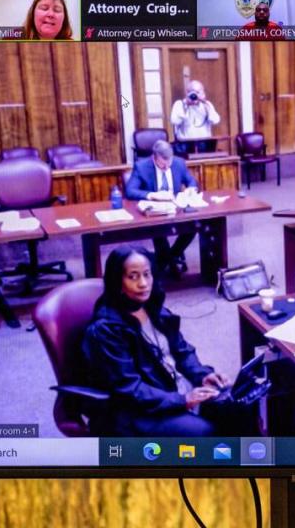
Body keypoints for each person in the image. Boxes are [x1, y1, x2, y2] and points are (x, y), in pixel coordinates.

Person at [82, 245, 243, 437]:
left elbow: (182, 351)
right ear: (118, 282)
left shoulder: (155, 309)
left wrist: (201, 375)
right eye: (133, 276)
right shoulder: (106, 330)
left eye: (147, 274)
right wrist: (181, 400)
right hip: (137, 410)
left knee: (237, 403)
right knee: (203, 431)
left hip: (173, 388)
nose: (143, 283)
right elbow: (129, 388)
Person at [125, 140, 199, 278]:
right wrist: (152, 195)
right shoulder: (141, 167)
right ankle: (170, 262)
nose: (166, 167)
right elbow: (130, 191)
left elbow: (191, 181)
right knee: (158, 230)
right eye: (162, 164)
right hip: (155, 211)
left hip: (176, 208)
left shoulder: (178, 163)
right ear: (154, 157)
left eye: (168, 163)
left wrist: (191, 189)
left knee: (195, 225)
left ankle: (168, 258)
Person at [170, 80, 221, 154]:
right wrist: (186, 106)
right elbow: (174, 121)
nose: (195, 95)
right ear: (187, 93)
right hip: (185, 146)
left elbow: (216, 120)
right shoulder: (179, 104)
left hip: (204, 145)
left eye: (198, 92)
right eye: (192, 92)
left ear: (203, 93)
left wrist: (205, 105)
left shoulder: (207, 105)